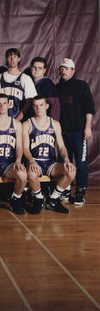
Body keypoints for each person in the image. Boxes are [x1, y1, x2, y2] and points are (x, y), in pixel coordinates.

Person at [23, 95, 76, 214]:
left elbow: (61, 146)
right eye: (35, 106)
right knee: (31, 173)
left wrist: (66, 159)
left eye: (41, 105)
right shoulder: (27, 124)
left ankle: (52, 200)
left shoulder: (55, 124)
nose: (38, 108)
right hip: (35, 161)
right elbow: (25, 148)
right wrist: (31, 161)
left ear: (47, 106)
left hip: (51, 162)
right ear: (33, 107)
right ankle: (39, 200)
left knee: (71, 170)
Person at [57, 58, 95, 204]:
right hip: (62, 133)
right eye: (61, 68)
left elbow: (89, 109)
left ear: (73, 70)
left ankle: (80, 190)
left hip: (79, 132)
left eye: (66, 68)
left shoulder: (81, 86)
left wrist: (88, 127)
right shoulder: (57, 87)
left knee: (81, 162)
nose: (63, 71)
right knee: (63, 162)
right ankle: (64, 188)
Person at [0, 48, 37, 120]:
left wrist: (17, 120)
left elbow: (29, 102)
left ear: (19, 59)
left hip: (19, 121)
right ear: (6, 59)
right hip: (1, 121)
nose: (12, 59)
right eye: (9, 56)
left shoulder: (25, 78)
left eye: (15, 56)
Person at [28, 57, 60, 121]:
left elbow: (54, 107)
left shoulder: (48, 85)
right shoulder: (29, 83)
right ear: (31, 69)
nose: (37, 70)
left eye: (40, 68)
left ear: (44, 70)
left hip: (44, 123)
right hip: (33, 121)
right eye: (34, 67)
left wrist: (52, 124)